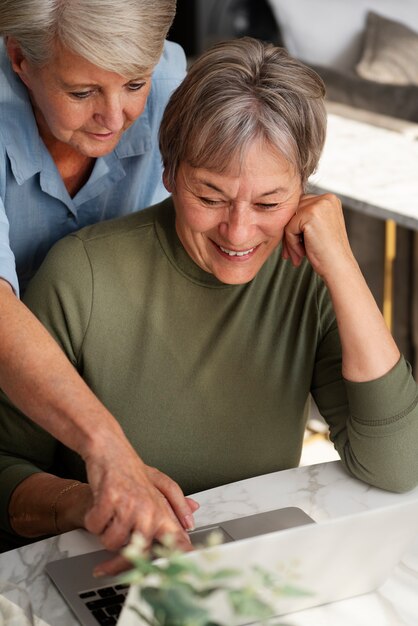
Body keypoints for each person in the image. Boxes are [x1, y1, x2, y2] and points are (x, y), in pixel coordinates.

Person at [0, 37, 417, 571]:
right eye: (209, 197)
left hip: (249, 568)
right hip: (108, 566)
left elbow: (398, 464)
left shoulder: (306, 275)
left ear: (304, 187)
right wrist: (81, 504)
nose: (239, 231)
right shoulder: (80, 274)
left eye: (269, 202)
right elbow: (5, 469)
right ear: (168, 173)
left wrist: (344, 269)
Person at [0, 0, 197, 561]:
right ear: (20, 58)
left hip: (102, 388)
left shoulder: (169, 80)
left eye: (134, 84)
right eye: (82, 92)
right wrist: (107, 448)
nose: (114, 116)